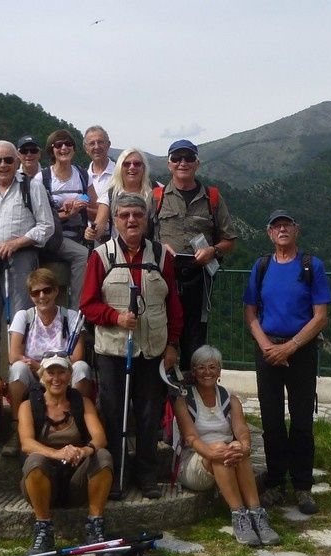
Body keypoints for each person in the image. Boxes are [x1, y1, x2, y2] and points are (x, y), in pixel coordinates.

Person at [80, 193, 183, 499]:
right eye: (124, 215)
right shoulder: (101, 256)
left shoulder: (162, 256)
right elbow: (87, 304)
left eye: (137, 214)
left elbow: (173, 306)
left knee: (150, 413)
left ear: (146, 219)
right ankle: (115, 474)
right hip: (113, 350)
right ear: (115, 221)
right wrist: (114, 316)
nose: (131, 220)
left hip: (152, 350)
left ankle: (147, 476)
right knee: (114, 413)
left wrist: (173, 344)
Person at [243, 209, 331, 515]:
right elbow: (251, 313)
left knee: (302, 419)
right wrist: (268, 346)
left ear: (296, 230)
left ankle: (303, 486)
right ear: (269, 233)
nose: (282, 229)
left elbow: (320, 317)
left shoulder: (311, 266)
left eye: (287, 225)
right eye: (276, 226)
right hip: (268, 350)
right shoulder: (262, 266)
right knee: (271, 420)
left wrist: (290, 347)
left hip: (301, 352)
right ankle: (277, 481)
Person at [173, 345, 281, 546]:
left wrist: (243, 446)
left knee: (238, 452)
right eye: (201, 367)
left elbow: (241, 430)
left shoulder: (230, 400)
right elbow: (191, 438)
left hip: (222, 453)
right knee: (223, 453)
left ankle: (257, 515)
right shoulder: (184, 400)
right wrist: (213, 452)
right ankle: (239, 516)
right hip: (194, 461)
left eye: (212, 367)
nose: (207, 372)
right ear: (194, 372)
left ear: (220, 371)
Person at [0, 140, 54, 368]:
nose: (3, 165)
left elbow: (46, 226)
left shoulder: (31, 186)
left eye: (8, 159)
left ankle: (20, 377)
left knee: (20, 320)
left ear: (17, 160)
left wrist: (16, 243)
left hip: (21, 260)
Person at [18, 354, 112, 554]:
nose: (56, 378)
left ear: (70, 375)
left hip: (76, 479)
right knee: (34, 459)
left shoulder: (82, 403)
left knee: (102, 456)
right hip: (44, 480)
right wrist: (56, 453)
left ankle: (95, 526)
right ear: (41, 376)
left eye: (61, 372)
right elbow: (26, 443)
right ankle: (43, 527)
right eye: (50, 373)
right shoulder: (28, 406)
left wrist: (83, 450)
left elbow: (100, 437)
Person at [156, 139, 238, 371]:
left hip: (199, 278)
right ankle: (165, 397)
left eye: (189, 158)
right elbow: (143, 236)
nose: (183, 162)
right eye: (177, 158)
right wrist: (160, 247)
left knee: (194, 337)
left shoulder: (212, 198)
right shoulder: (156, 197)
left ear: (197, 163)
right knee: (161, 332)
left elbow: (229, 240)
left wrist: (213, 251)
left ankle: (193, 393)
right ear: (169, 164)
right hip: (164, 276)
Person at [3, 268, 94, 456]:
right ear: (30, 295)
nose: (42, 296)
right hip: (34, 376)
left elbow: (77, 357)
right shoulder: (24, 316)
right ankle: (16, 426)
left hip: (63, 374)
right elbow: (13, 355)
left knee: (82, 368)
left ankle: (78, 421)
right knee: (17, 369)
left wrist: (41, 366)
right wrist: (41, 369)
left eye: (46, 290)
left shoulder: (71, 317)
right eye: (35, 292)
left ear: (56, 291)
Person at [33, 129, 92, 305]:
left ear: (74, 148)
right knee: (83, 255)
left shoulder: (81, 174)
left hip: (78, 234)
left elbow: (91, 199)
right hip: (55, 236)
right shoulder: (41, 178)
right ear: (52, 150)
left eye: (68, 144)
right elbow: (39, 218)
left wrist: (80, 200)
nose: (64, 148)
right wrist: (66, 214)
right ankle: (77, 310)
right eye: (58, 145)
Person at [88, 148, 156, 243]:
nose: (132, 167)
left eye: (137, 164)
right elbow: (99, 224)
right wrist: (92, 232)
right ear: (120, 167)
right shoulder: (110, 194)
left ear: (144, 168)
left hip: (149, 249)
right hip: (118, 251)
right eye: (126, 164)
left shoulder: (157, 190)